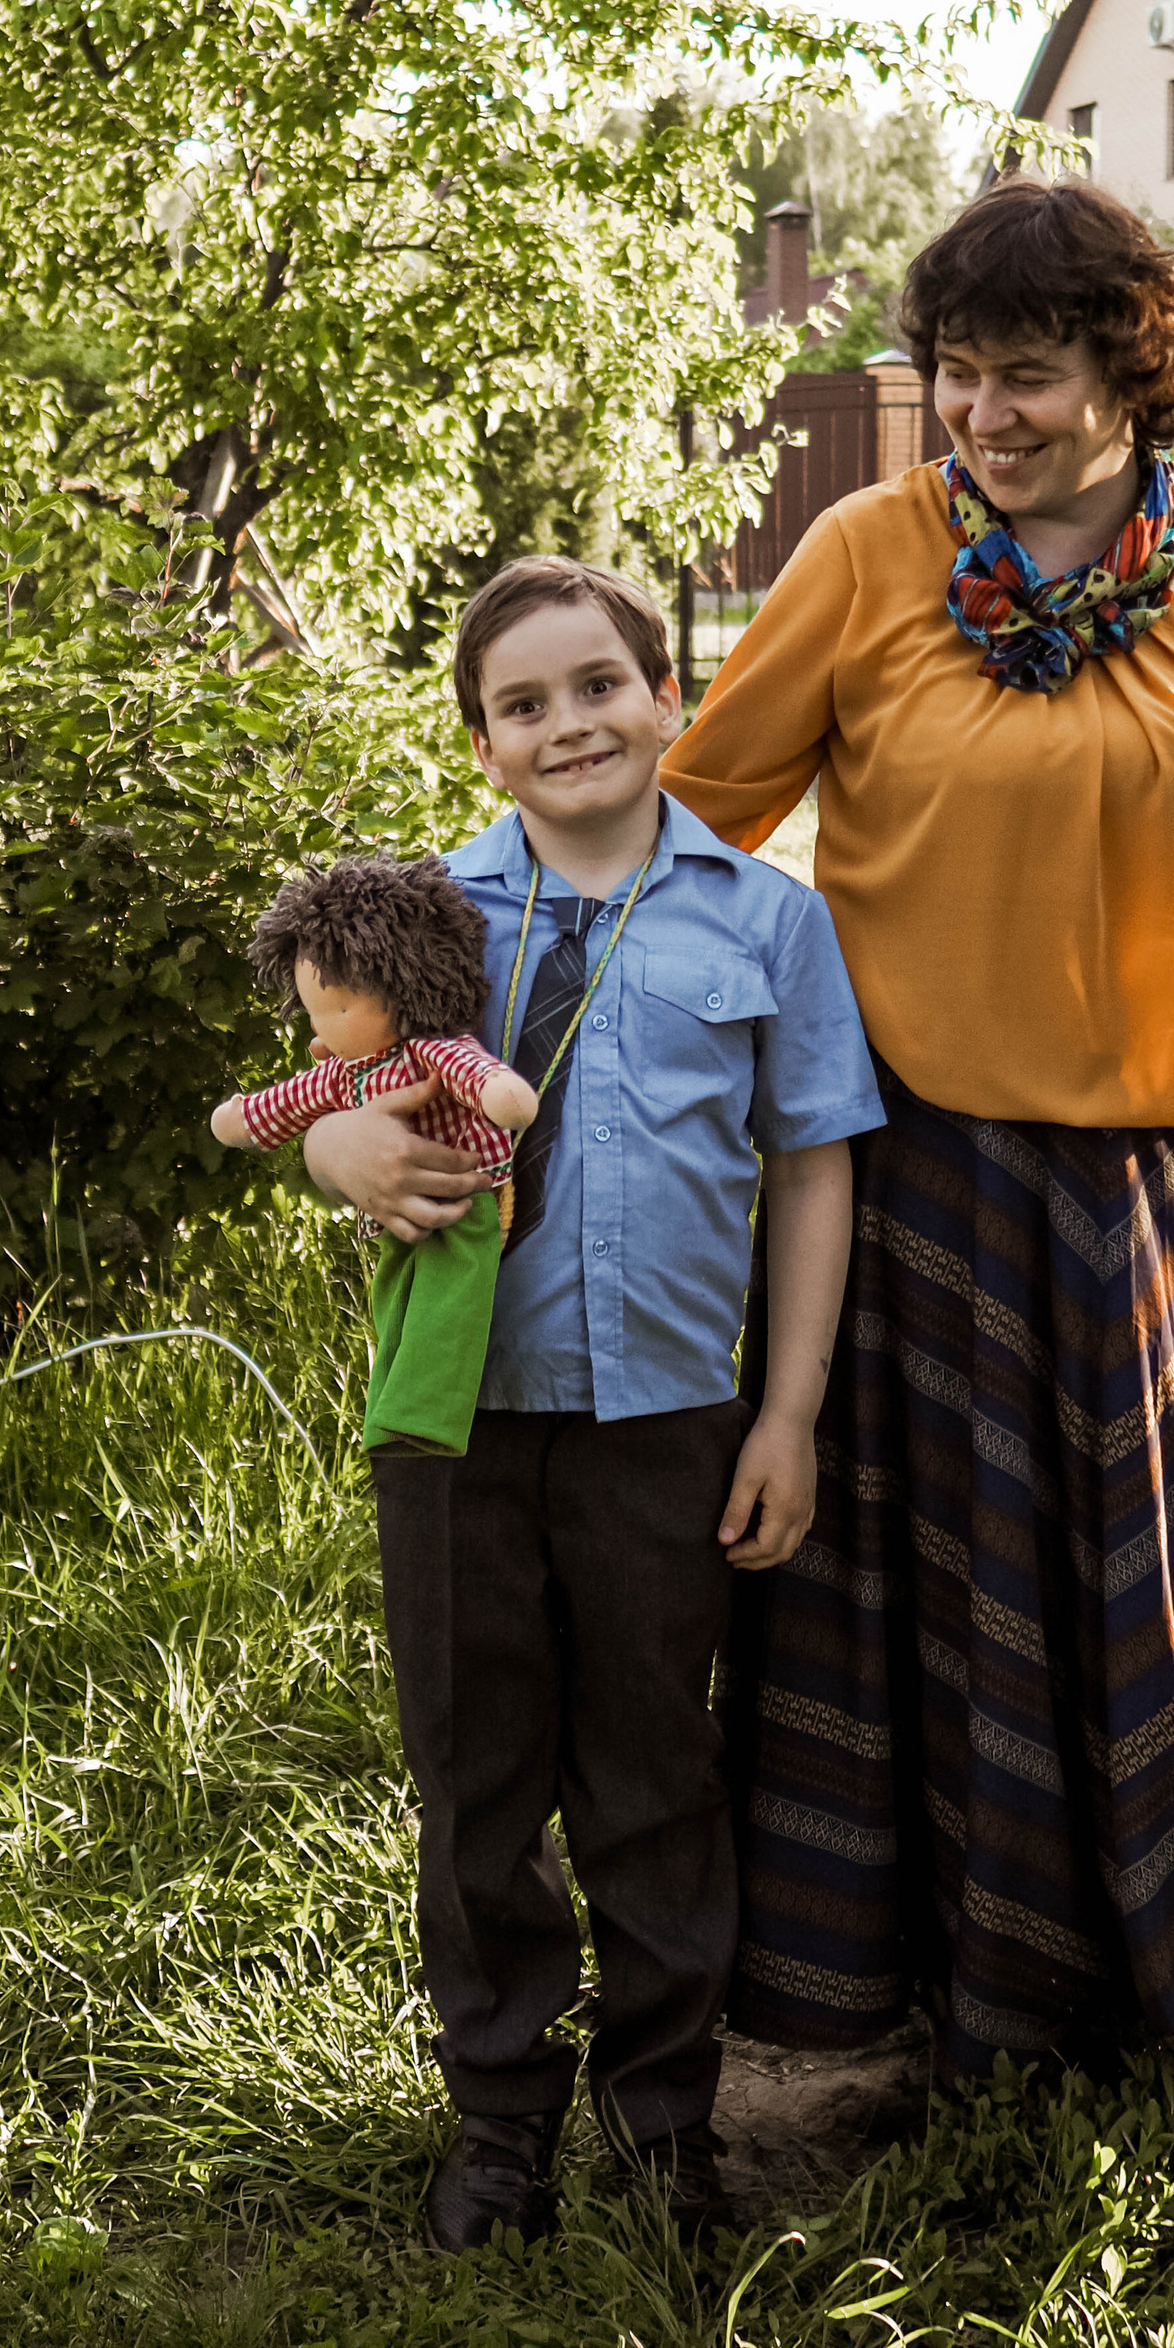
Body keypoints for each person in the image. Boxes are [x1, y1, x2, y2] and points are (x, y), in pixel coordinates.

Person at [657, 176, 1174, 2108]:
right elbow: (697, 828)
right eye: (955, 374)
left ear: (1134, 365)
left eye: (1025, 374)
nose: (982, 413)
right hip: (908, 1177)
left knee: (1140, 1596)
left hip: (1153, 1192)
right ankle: (861, 2017)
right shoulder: (870, 551)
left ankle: (1104, 2009)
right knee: (894, 1612)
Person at [293, 555, 881, 2252]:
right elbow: (320, 1087)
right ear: (481, 745)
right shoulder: (423, 919)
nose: (569, 723)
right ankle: (498, 2117)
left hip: (670, 1418)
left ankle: (663, 2116)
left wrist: (789, 1414)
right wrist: (335, 1142)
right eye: (523, 703)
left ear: (669, 697)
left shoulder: (766, 915)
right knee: (476, 1776)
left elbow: (816, 1166)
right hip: (456, 1422)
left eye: (599, 684)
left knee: (654, 1765)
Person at [208, 855, 538, 1457]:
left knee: (450, 1297)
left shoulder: (433, 1050)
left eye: (341, 1009)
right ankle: (393, 1410)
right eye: (317, 1011)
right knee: (395, 1295)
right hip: (394, 1212)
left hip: (466, 1195)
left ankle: (425, 1414)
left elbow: (480, 1079)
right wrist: (243, 1120)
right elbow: (284, 1104)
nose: (325, 1027)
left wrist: (501, 1095)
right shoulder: (344, 1073)